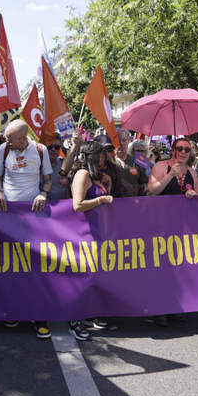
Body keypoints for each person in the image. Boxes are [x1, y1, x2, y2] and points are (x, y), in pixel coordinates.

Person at [0, 119, 53, 339]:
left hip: (33, 217)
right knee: (11, 266)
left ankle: (40, 318)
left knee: (35, 268)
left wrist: (43, 193)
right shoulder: (4, 149)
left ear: (22, 137)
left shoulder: (40, 150)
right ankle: (14, 311)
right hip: (8, 216)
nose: (7, 142)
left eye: (11, 139)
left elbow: (48, 179)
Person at [146, 137, 198, 326]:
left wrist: (192, 195)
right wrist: (170, 175)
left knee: (178, 268)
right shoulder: (161, 166)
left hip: (182, 227)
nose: (184, 152)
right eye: (180, 148)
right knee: (161, 268)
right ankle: (159, 308)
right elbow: (152, 191)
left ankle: (174, 306)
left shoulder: (192, 172)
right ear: (173, 150)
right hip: (160, 225)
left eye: (187, 149)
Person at [67, 140, 114, 340]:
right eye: (101, 154)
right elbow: (77, 205)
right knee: (82, 278)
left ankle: (86, 314)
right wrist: (100, 199)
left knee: (93, 276)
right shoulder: (82, 174)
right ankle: (74, 320)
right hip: (85, 234)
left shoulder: (95, 176)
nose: (105, 158)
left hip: (98, 232)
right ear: (93, 156)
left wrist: (107, 186)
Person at [114, 129, 147, 197]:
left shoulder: (139, 161)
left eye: (124, 140)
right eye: (118, 140)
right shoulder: (108, 162)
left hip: (134, 201)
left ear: (129, 141)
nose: (121, 143)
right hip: (115, 201)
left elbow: (145, 183)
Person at [47, 132, 77, 200]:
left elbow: (66, 188)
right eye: (50, 146)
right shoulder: (38, 166)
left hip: (63, 205)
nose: (53, 149)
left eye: (57, 147)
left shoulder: (63, 163)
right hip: (45, 206)